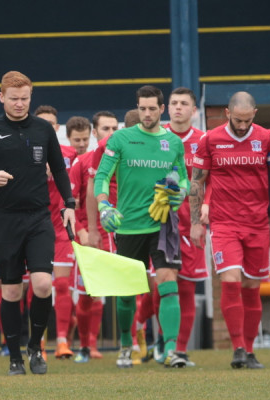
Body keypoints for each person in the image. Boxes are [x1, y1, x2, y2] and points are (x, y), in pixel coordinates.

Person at [0, 71, 75, 376]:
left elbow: (59, 169)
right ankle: (14, 357)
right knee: (11, 292)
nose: (19, 104)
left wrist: (69, 204)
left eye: (24, 98)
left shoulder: (43, 129)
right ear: (2, 97)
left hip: (39, 218)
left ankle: (35, 347)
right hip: (5, 221)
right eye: (13, 98)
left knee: (42, 285)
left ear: (30, 97)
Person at [190, 91, 270, 369]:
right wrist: (196, 223)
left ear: (254, 115)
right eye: (238, 120)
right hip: (224, 224)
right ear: (227, 114)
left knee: (251, 288)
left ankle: (249, 351)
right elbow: (196, 183)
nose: (243, 125)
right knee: (231, 281)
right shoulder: (210, 140)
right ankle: (237, 347)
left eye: (248, 120)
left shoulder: (266, 137)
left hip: (258, 224)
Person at [93, 85, 188, 369]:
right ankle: (125, 343)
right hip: (128, 225)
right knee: (126, 293)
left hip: (162, 225)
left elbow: (182, 179)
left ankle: (171, 350)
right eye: (142, 108)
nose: (147, 114)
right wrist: (104, 206)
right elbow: (101, 177)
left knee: (168, 283)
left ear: (162, 109)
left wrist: (177, 192)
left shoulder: (173, 143)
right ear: (137, 108)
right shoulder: (120, 138)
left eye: (152, 109)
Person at [161, 87, 207, 366]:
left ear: (194, 110)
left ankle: (178, 350)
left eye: (184, 103)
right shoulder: (157, 137)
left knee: (187, 288)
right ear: (167, 108)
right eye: (174, 103)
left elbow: (209, 184)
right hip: (157, 223)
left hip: (191, 225)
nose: (178, 107)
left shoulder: (204, 141)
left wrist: (201, 220)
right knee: (161, 286)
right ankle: (161, 344)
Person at [69, 111, 119, 362]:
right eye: (105, 129)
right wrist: (84, 231)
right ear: (95, 132)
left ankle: (133, 344)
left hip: (122, 232)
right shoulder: (84, 162)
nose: (110, 134)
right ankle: (86, 346)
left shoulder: (126, 156)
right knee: (90, 292)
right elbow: (71, 203)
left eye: (114, 129)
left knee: (131, 289)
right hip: (93, 233)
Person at [37, 112, 84, 359]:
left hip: (62, 227)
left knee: (63, 284)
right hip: (35, 228)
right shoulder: (24, 153)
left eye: (51, 123)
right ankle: (40, 342)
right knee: (38, 287)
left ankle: (63, 342)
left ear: (56, 127)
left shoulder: (69, 154)